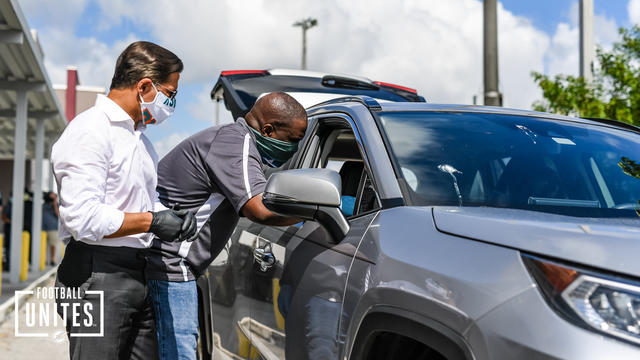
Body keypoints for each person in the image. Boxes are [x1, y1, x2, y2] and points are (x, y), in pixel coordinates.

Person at [50, 41, 197, 360]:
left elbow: (142, 202)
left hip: (135, 271)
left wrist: (169, 216)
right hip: (95, 273)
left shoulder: (141, 142)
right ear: (145, 86)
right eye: (169, 93)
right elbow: (83, 219)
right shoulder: (90, 132)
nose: (171, 103)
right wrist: (152, 222)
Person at [145, 92, 308, 359]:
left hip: (170, 264)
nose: (295, 149)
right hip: (170, 266)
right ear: (267, 129)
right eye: (293, 140)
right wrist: (316, 213)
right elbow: (259, 209)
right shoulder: (236, 142)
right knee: (178, 352)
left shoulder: (238, 142)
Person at [42, 192, 60, 265]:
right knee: (43, 245)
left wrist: (55, 203)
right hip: (43, 228)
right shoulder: (44, 205)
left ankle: (52, 259)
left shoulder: (56, 205)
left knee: (52, 244)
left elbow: (57, 214)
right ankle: (43, 259)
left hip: (53, 228)